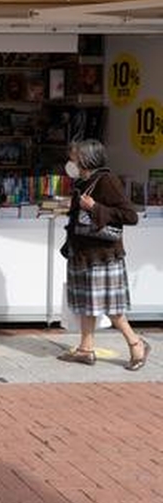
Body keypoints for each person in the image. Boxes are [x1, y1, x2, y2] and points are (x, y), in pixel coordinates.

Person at [57, 139, 147, 370]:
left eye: (75, 157)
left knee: (112, 308)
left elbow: (130, 216)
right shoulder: (84, 181)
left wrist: (95, 208)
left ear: (87, 159)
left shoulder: (107, 180)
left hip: (102, 255)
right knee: (88, 305)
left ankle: (136, 344)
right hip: (83, 253)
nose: (72, 162)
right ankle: (86, 349)